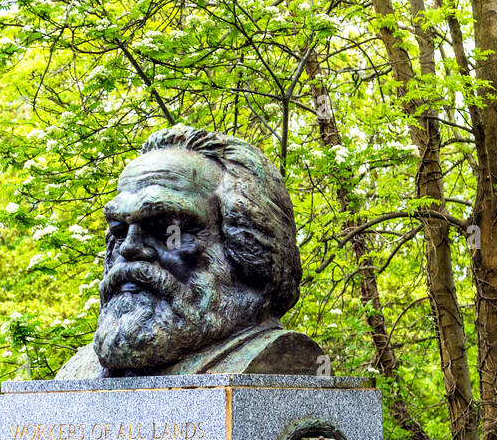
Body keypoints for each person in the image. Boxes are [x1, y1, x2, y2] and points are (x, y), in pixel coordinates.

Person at [56, 124, 324, 377]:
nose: (129, 247)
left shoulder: (281, 360)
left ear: (248, 247)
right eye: (119, 229)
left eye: (164, 229)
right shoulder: (78, 371)